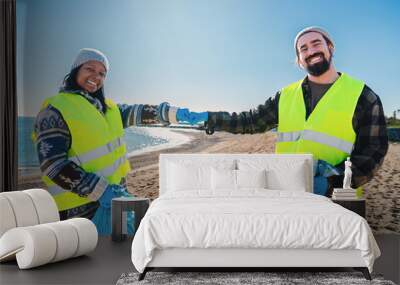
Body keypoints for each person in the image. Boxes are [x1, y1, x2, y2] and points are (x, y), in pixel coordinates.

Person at [188, 26, 388, 196]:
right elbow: (249, 121)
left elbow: (373, 151)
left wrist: (331, 183)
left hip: (336, 198)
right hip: (288, 192)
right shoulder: (285, 95)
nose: (311, 51)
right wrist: (208, 118)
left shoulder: (362, 96)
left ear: (330, 47)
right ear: (300, 60)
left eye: (316, 43)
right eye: (304, 49)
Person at [33, 48, 193, 225]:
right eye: (90, 69)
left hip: (115, 197)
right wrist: (100, 190)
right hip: (79, 210)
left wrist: (175, 113)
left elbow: (138, 112)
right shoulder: (54, 110)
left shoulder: (108, 108)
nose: (96, 76)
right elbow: (53, 165)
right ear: (75, 70)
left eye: (102, 73)